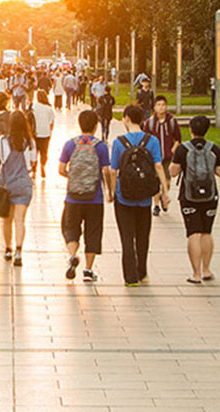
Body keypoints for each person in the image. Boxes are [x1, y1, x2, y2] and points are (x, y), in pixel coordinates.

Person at [110, 104, 168, 286]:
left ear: (126, 118)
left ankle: (130, 277)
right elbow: (158, 166)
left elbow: (113, 170)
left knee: (127, 237)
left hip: (124, 196)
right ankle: (142, 272)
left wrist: (112, 191)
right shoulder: (152, 141)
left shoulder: (119, 142)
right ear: (142, 120)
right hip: (144, 197)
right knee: (143, 236)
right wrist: (164, 191)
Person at [170, 115, 220, 284]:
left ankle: (196, 274)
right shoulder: (214, 149)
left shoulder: (183, 149)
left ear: (191, 129)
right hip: (210, 195)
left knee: (194, 233)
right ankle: (206, 270)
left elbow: (173, 172)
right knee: (207, 232)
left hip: (189, 197)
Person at [59, 109, 112, 283]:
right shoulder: (100, 146)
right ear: (96, 126)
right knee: (93, 232)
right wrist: (109, 191)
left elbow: (61, 169)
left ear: (79, 124)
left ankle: (72, 255)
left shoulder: (70, 144)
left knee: (71, 229)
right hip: (94, 198)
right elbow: (106, 170)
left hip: (73, 198)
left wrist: (73, 177)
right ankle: (88, 271)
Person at [0, 111, 37, 267]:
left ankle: (8, 249)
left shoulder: (2, 141)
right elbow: (32, 163)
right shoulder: (30, 142)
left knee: (7, 220)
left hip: (6, 186)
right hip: (23, 185)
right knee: (20, 220)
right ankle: (19, 251)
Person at [143, 95, 182, 216]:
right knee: (156, 182)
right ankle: (156, 205)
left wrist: (172, 150)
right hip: (154, 158)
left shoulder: (172, 121)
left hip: (168, 157)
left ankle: (163, 196)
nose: (161, 107)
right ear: (154, 107)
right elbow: (145, 139)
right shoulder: (150, 123)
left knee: (167, 181)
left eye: (163, 105)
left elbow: (178, 139)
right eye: (158, 105)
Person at [31, 90, 55, 178]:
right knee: (44, 152)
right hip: (45, 133)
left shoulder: (33, 107)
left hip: (34, 133)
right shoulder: (49, 108)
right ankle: (42, 165)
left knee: (34, 152)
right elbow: (51, 122)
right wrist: (50, 132)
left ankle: (34, 171)